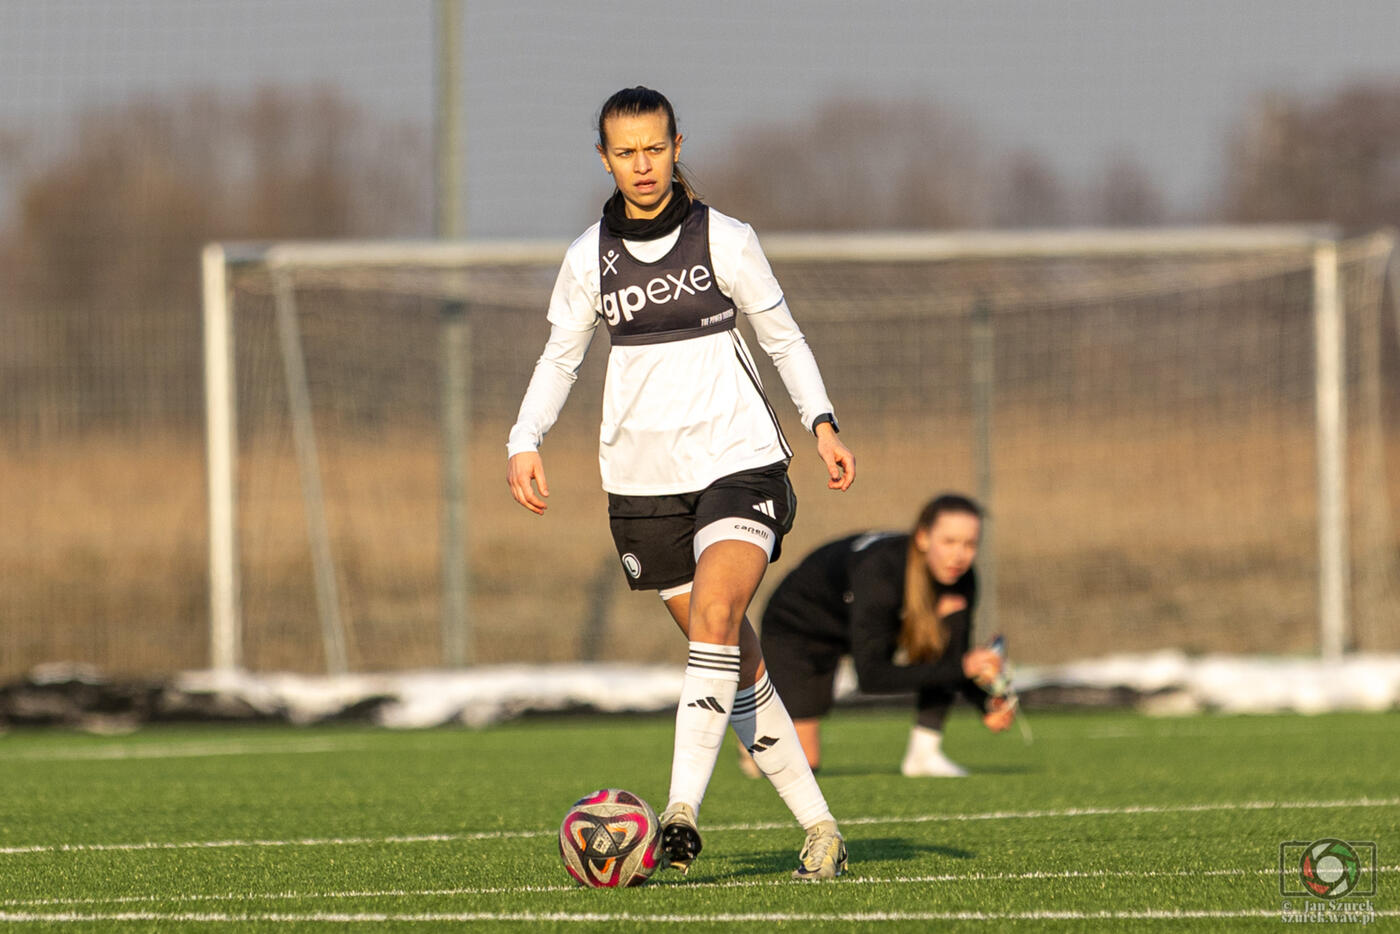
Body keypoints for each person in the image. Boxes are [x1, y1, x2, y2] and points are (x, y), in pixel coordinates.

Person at [506, 86, 856, 881]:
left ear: (676, 146)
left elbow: (782, 336)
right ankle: (821, 827)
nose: (642, 165)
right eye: (625, 152)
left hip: (738, 461)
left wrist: (822, 422)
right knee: (736, 659)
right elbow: (559, 358)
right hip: (643, 483)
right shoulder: (587, 257)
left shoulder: (726, 240)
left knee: (718, 615)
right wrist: (524, 440)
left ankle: (678, 812)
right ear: (604, 158)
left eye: (655, 148)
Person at [753, 493, 1016, 779]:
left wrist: (986, 703)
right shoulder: (880, 573)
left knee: (941, 647)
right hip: (801, 626)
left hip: (862, 619)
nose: (959, 555)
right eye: (949, 542)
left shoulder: (962, 577)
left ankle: (924, 755)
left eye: (969, 544)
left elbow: (951, 661)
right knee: (801, 769)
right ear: (924, 538)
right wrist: (965, 667)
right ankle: (750, 727)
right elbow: (872, 676)